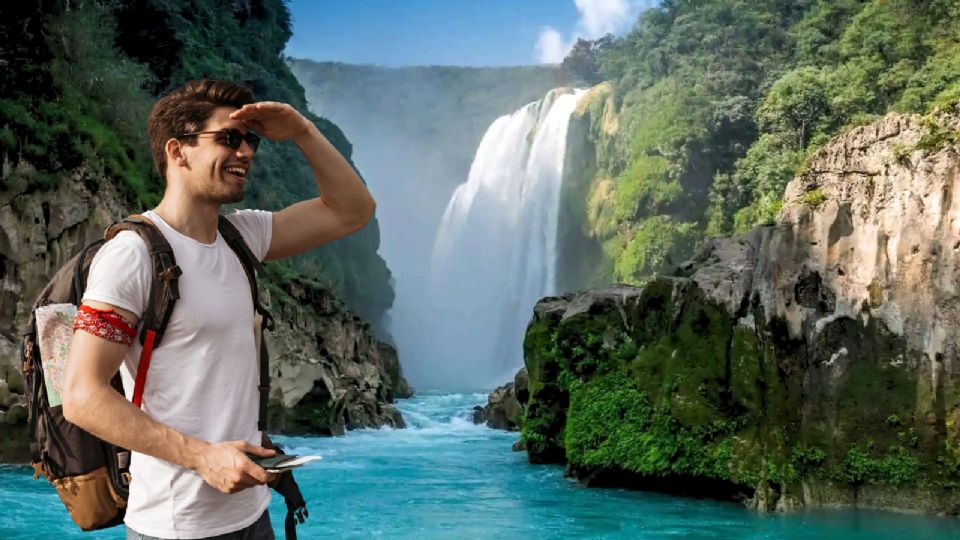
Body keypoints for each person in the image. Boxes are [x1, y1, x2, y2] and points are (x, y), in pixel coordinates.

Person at [62, 79, 376, 539]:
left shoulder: (241, 237)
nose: (246, 151)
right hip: (176, 527)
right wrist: (203, 457)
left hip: (252, 515)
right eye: (229, 138)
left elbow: (352, 211)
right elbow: (82, 397)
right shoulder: (133, 254)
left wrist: (302, 131)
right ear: (178, 150)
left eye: (250, 140)